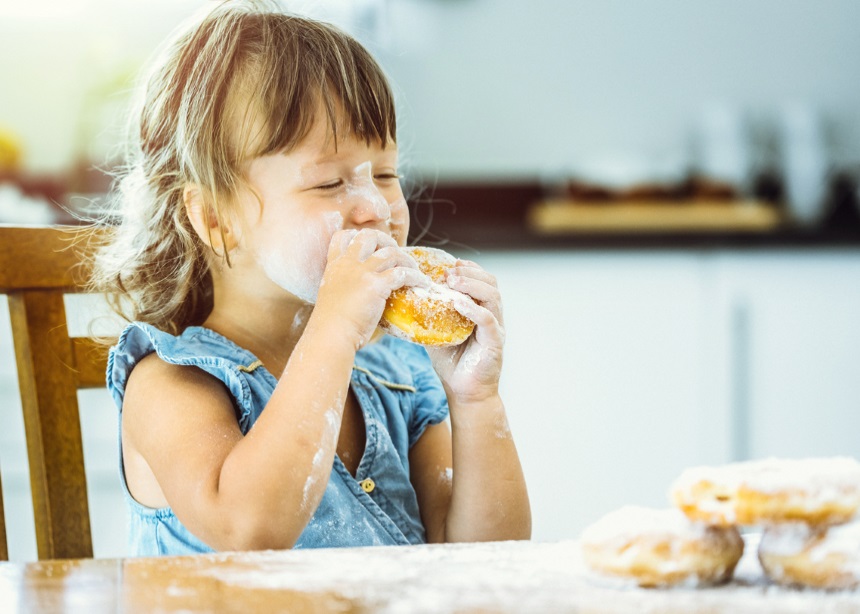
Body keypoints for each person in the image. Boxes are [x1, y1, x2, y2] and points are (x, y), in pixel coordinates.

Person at [92, 0, 531, 556]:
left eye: (387, 174)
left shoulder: (399, 376)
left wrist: (476, 400)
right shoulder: (172, 384)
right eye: (328, 183)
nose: (375, 206)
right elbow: (250, 531)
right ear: (216, 221)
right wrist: (334, 330)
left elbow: (486, 559)